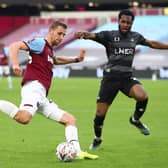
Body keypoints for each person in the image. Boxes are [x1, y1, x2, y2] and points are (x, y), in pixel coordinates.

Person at [0, 21, 98, 160]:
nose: (61, 37)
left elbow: (55, 60)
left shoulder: (49, 50)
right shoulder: (40, 43)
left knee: (70, 120)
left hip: (42, 96)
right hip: (33, 88)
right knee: (23, 118)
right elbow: (14, 45)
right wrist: (15, 64)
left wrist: (76, 59)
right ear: (50, 31)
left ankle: (77, 151)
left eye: (63, 35)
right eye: (59, 33)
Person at [75, 9, 168, 150]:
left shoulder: (135, 37)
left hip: (126, 78)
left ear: (132, 23)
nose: (125, 25)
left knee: (142, 96)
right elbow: (93, 35)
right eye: (123, 22)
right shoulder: (109, 35)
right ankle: (97, 138)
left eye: (128, 23)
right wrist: (84, 34)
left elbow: (152, 43)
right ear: (118, 21)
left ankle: (135, 119)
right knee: (100, 114)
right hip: (110, 79)